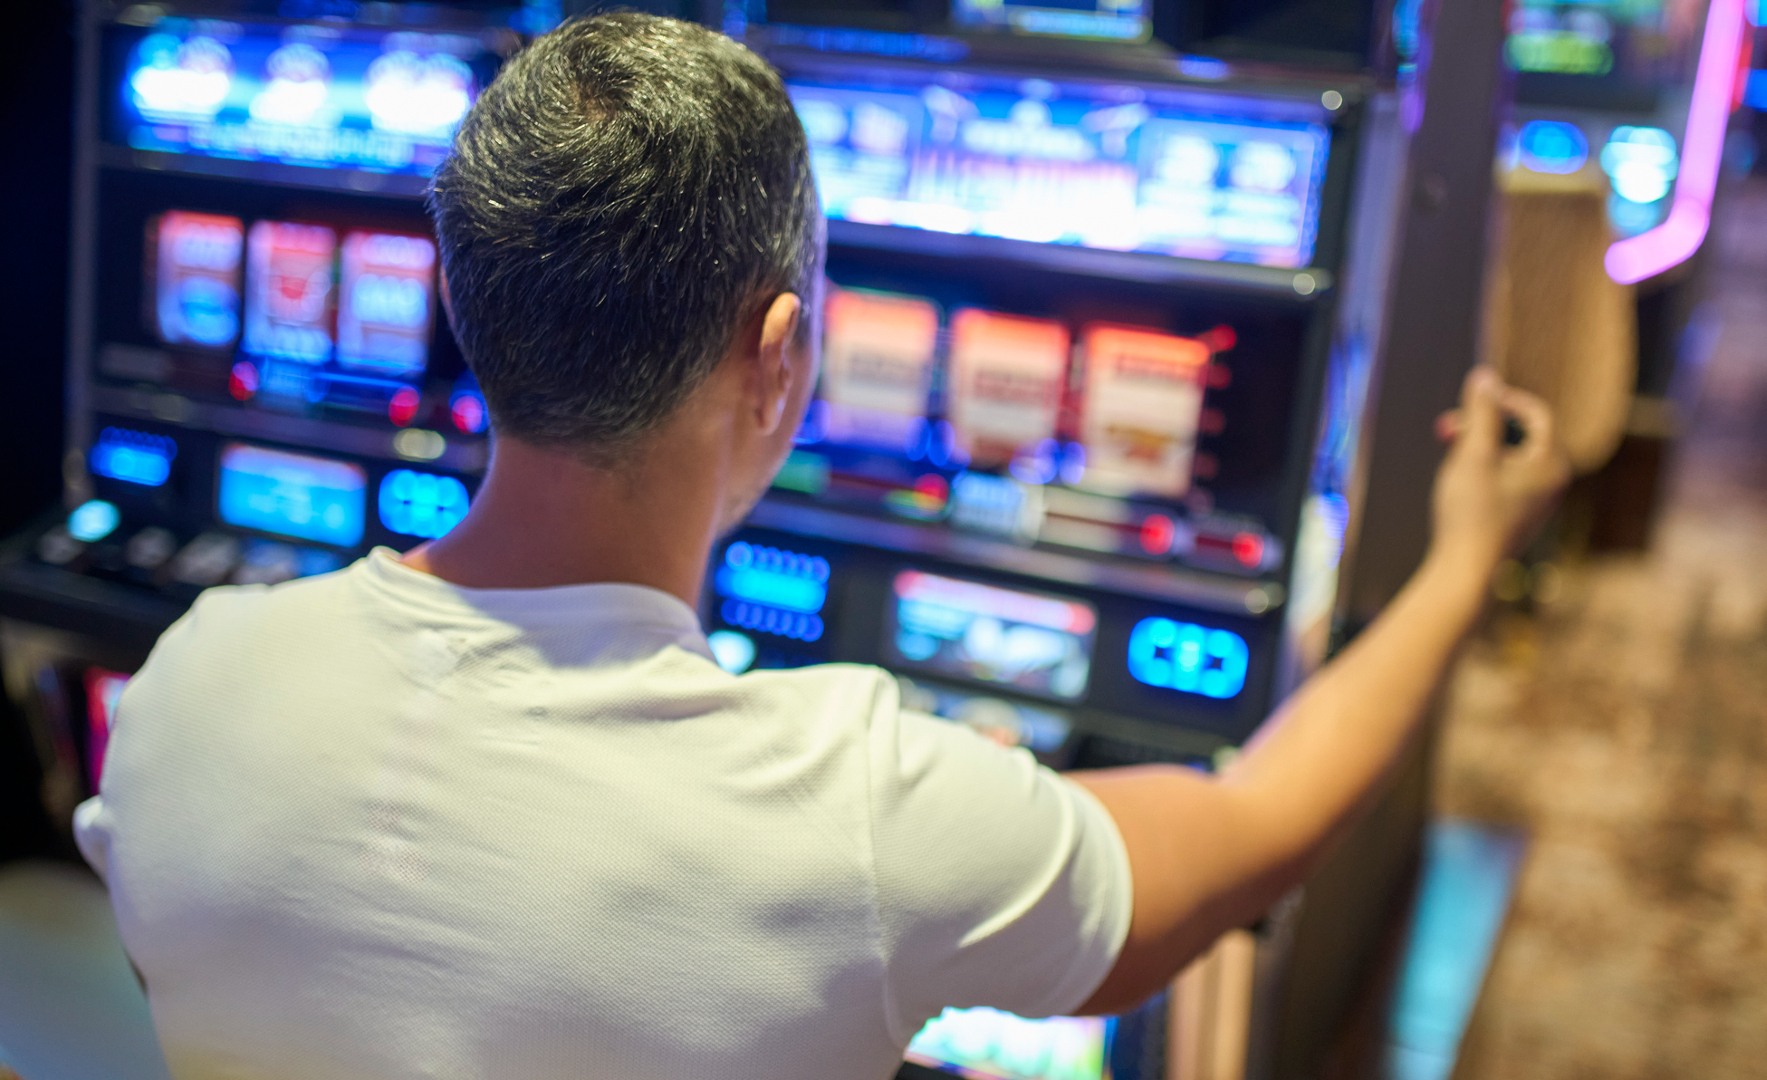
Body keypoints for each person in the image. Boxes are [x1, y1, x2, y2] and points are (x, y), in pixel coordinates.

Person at [73, 13, 1568, 1080]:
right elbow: (1256, 825)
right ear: (779, 355)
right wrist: (1458, 565)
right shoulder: (853, 807)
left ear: (462, 307)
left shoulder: (190, 685)